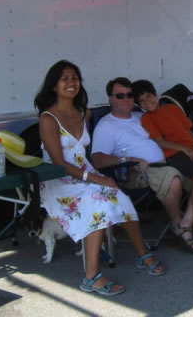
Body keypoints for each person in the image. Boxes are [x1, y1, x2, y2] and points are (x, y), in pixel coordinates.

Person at [34, 60, 166, 297]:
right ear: (54, 85)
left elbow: (85, 154)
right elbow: (58, 164)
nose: (71, 83)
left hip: (85, 174)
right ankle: (91, 276)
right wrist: (95, 178)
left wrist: (96, 178)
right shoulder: (48, 118)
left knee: (120, 198)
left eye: (75, 78)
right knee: (99, 202)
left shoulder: (83, 112)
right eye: (64, 78)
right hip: (59, 179)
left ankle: (142, 254)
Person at [91, 77, 193, 254]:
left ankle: (188, 221)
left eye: (129, 95)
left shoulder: (142, 116)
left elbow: (172, 135)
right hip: (138, 171)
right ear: (110, 99)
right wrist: (125, 160)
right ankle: (177, 225)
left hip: (170, 161)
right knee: (173, 177)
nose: (126, 99)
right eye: (120, 96)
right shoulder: (106, 126)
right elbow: (97, 159)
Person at [132, 79, 193, 250]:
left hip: (191, 149)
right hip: (174, 153)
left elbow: (187, 133)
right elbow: (160, 142)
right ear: (139, 105)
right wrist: (185, 149)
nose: (147, 102)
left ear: (155, 95)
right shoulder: (147, 118)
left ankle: (190, 220)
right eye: (141, 100)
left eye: (149, 96)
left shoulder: (172, 109)